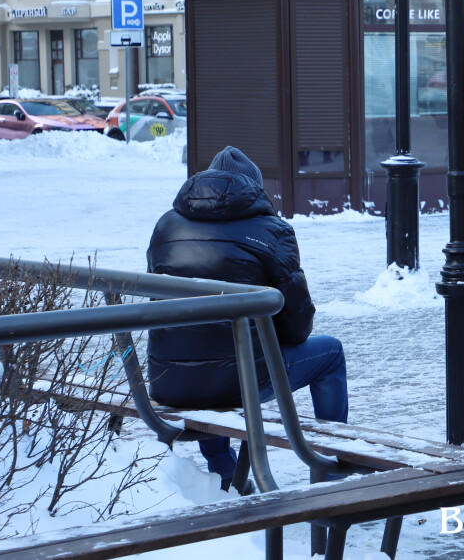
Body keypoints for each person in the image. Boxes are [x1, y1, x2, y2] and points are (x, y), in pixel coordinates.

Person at [146, 146, 348, 490]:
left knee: (207, 351)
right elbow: (298, 325)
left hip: (170, 380)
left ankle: (224, 472)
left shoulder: (165, 225)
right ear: (253, 187)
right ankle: (332, 471)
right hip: (243, 382)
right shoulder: (273, 231)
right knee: (330, 354)